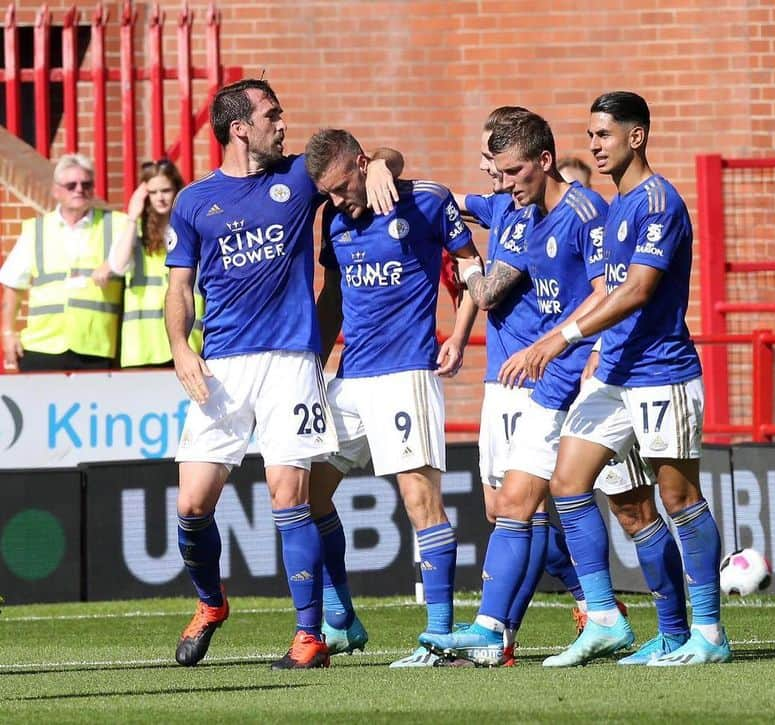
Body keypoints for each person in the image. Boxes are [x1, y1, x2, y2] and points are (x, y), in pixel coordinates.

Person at [421, 109, 687, 667]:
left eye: (514, 173)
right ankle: (497, 628)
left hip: (590, 377)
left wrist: (567, 344)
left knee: (635, 508)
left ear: (543, 162)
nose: (505, 185)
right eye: (498, 174)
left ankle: (678, 628)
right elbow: (445, 198)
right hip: (549, 385)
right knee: (515, 502)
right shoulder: (519, 212)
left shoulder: (587, 212)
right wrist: (385, 171)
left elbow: (607, 291)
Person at [163, 78, 397, 670]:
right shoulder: (194, 201)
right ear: (239, 127)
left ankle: (309, 636)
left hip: (292, 361)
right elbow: (179, 288)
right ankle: (211, 603)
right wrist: (180, 348)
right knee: (192, 505)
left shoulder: (297, 178)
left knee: (289, 496)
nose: (282, 123)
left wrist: (379, 167)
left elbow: (368, 160)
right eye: (272, 115)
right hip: (222, 366)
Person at [494, 92, 730, 667]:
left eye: (604, 134)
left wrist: (560, 338)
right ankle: (605, 617)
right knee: (568, 482)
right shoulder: (619, 204)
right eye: (591, 135)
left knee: (677, 497)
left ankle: (707, 631)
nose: (594, 145)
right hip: (615, 374)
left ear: (636, 137)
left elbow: (638, 290)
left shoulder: (659, 202)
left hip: (660, 372)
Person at [304, 128, 480, 668]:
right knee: (305, 497)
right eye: (327, 194)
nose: (336, 201)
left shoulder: (427, 200)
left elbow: (472, 269)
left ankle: (440, 639)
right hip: (350, 377)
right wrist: (311, 362)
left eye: (340, 188)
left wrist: (459, 333)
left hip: (406, 374)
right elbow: (332, 298)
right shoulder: (335, 220)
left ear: (363, 165)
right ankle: (340, 619)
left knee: (420, 503)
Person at [1, 154, 127, 371]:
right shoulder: (36, 230)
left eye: (86, 184)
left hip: (96, 348)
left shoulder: (117, 225)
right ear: (56, 191)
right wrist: (7, 332)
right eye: (71, 185)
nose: (79, 189)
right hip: (43, 346)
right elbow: (13, 285)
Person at [95, 159, 203, 367]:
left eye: (165, 190)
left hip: (187, 344)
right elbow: (117, 265)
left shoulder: (192, 230)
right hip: (142, 347)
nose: (160, 198)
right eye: (153, 192)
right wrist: (133, 216)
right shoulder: (136, 232)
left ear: (177, 191)